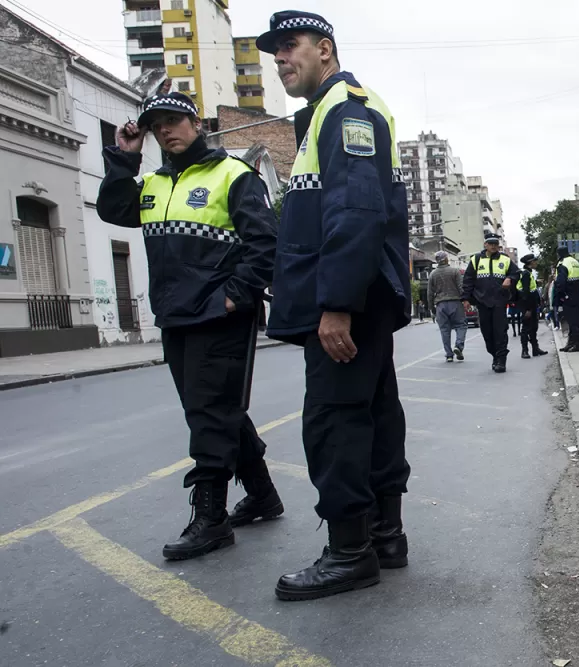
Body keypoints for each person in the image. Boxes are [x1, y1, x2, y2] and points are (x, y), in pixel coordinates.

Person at [258, 10, 411, 601]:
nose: (280, 59)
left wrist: (338, 304)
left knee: (335, 421)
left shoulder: (344, 108)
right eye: (274, 52)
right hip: (360, 291)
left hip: (350, 296)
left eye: (289, 46)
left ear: (325, 49)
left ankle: (350, 551)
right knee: (372, 412)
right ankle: (385, 535)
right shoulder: (338, 107)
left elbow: (354, 209)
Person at [98, 90, 282, 560]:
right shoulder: (155, 184)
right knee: (216, 409)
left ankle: (211, 519)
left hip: (220, 317)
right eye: (157, 124)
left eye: (174, 121)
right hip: (175, 315)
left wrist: (233, 296)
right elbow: (114, 211)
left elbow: (265, 244)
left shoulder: (232, 175)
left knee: (208, 413)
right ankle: (262, 495)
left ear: (196, 124)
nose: (165, 130)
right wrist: (124, 157)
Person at [462, 234, 519, 372]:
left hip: (499, 302)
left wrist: (510, 278)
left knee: (500, 332)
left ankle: (501, 361)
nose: (493, 246)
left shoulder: (505, 260)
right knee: (487, 333)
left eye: (496, 243)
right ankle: (495, 355)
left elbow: (517, 273)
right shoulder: (476, 260)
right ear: (485, 245)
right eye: (490, 243)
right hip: (482, 302)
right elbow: (468, 280)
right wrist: (465, 299)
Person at [428, 250, 466, 362]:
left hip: (440, 305)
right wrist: (465, 300)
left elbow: (429, 293)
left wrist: (431, 308)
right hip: (455, 302)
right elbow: (461, 287)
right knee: (461, 326)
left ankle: (449, 355)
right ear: (446, 259)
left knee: (444, 330)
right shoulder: (455, 271)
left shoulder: (433, 274)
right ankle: (458, 346)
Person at [516, 254, 548, 359]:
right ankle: (524, 351)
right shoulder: (525, 274)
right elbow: (526, 293)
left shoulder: (529, 273)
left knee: (534, 327)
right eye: (535, 261)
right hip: (527, 306)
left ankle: (535, 348)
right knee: (526, 328)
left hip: (532, 305)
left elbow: (532, 290)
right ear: (530, 263)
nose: (536, 263)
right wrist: (528, 309)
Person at [555, 247, 579, 352]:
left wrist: (561, 296)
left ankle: (577, 344)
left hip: (567, 296)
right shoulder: (575, 262)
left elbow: (561, 282)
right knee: (575, 319)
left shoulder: (562, 263)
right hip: (576, 295)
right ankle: (571, 343)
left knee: (571, 321)